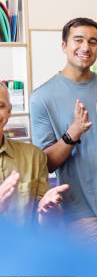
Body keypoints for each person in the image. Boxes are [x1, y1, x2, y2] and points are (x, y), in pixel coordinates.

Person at [30, 18, 97, 253]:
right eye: (78, 40)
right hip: (79, 209)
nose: (86, 47)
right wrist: (73, 133)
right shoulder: (42, 97)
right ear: (64, 46)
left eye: (93, 42)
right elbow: (46, 164)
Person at [0, 82, 69, 223]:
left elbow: (44, 227)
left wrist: (47, 212)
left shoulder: (33, 157)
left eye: (0, 106)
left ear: (9, 111)